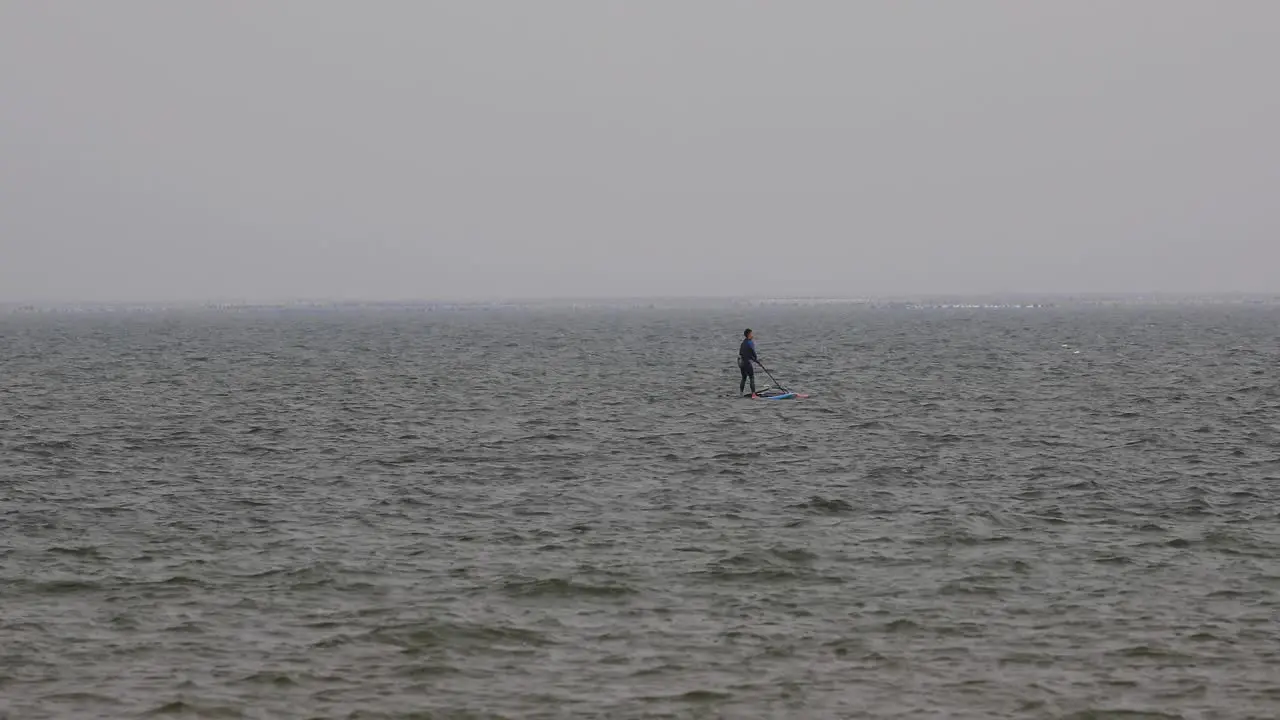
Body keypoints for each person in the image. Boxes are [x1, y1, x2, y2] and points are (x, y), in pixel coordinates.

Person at [738, 328, 759, 396]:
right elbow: (753, 352)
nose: (752, 335)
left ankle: (741, 393)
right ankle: (753, 394)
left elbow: (741, 353)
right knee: (751, 377)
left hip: (741, 363)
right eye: (751, 334)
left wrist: (751, 358)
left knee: (744, 378)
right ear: (749, 334)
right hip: (747, 363)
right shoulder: (750, 342)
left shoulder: (743, 343)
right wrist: (755, 359)